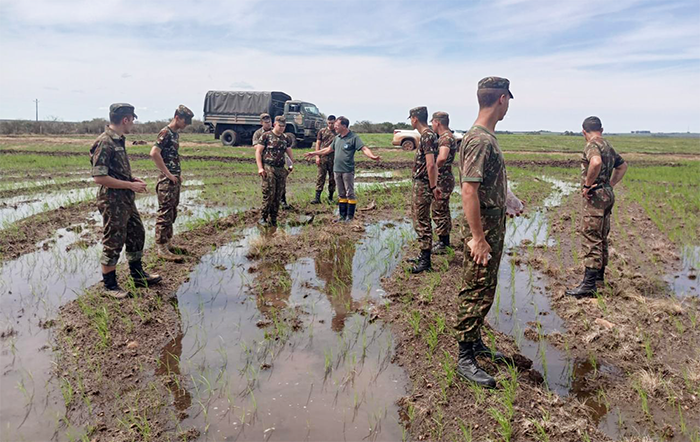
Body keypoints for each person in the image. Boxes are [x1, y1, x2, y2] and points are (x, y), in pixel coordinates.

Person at [456, 77, 523, 388]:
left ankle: (476, 342)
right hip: (484, 229)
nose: (509, 105)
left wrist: (507, 199)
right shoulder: (481, 140)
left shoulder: (484, 137)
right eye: (509, 99)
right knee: (476, 287)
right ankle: (464, 357)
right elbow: (468, 191)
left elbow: (483, 184)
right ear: (502, 100)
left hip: (492, 223)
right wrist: (478, 238)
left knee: (485, 287)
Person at [90, 103, 162, 299]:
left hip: (125, 200)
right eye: (132, 120)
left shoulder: (118, 140)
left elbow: (115, 171)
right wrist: (129, 185)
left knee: (136, 234)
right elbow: (99, 177)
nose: (133, 124)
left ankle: (138, 276)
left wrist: (131, 179)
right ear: (125, 120)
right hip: (112, 201)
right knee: (113, 240)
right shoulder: (105, 142)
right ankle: (110, 286)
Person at [566, 116, 627, 297]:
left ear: (584, 131)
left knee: (591, 236)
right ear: (602, 129)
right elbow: (622, 166)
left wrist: (588, 184)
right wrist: (610, 184)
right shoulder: (607, 145)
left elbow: (596, 162)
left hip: (596, 197)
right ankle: (599, 278)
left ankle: (589, 285)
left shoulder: (592, 145)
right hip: (607, 194)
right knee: (602, 235)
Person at [304, 116, 380, 222]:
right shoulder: (337, 138)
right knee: (341, 193)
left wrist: (371, 156)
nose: (335, 127)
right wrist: (314, 153)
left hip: (347, 170)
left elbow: (364, 148)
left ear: (344, 126)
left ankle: (350, 217)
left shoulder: (353, 137)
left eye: (337, 125)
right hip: (337, 170)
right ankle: (342, 216)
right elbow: (328, 149)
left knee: (350, 193)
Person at [150, 104, 194, 262]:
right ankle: (161, 247)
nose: (186, 125)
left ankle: (168, 244)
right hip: (166, 180)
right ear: (177, 117)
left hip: (174, 178)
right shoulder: (165, 132)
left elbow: (172, 156)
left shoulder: (175, 134)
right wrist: (167, 174)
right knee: (165, 212)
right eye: (185, 121)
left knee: (172, 212)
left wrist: (177, 174)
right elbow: (154, 153)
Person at [408, 106, 441, 273]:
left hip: (423, 184)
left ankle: (426, 261)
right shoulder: (427, 135)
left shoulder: (427, 136)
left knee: (422, 220)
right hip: (421, 183)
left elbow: (431, 164)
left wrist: (433, 186)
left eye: (411, 119)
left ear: (415, 118)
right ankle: (423, 255)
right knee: (418, 218)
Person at [254, 115, 294, 227]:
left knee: (278, 194)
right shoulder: (266, 136)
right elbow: (258, 152)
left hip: (280, 169)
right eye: (280, 126)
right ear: (274, 125)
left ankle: (274, 218)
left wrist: (291, 165)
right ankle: (263, 217)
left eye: (284, 126)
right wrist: (260, 168)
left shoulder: (286, 138)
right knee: (269, 194)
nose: (282, 128)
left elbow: (289, 153)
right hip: (268, 167)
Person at [430, 111, 458, 255]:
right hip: (445, 178)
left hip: (443, 179)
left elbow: (442, 157)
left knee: (439, 210)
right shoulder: (448, 136)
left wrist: (433, 168)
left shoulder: (445, 138)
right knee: (442, 210)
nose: (432, 125)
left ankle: (443, 243)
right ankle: (443, 240)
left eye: (432, 122)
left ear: (437, 122)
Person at [311, 115, 337, 204]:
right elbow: (318, 144)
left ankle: (330, 197)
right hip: (323, 157)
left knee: (333, 179)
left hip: (334, 158)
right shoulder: (322, 131)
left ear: (335, 122)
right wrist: (317, 156)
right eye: (329, 123)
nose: (331, 125)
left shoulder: (338, 132)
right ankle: (317, 198)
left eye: (332, 123)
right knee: (320, 177)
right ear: (327, 122)